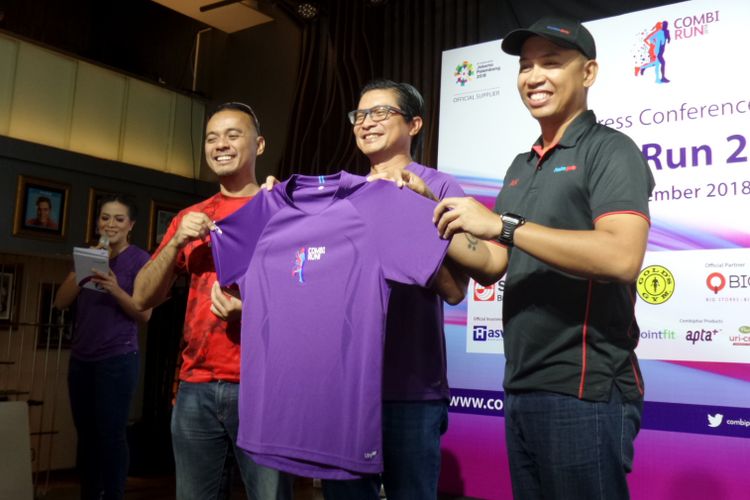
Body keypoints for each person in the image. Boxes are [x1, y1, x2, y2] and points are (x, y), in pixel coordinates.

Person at [434, 16, 654, 500]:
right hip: (521, 381)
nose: (533, 76)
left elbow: (621, 256)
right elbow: (494, 262)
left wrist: (505, 226)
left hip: (586, 387)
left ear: (588, 73)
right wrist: (417, 218)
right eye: (525, 66)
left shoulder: (610, 150)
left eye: (551, 63)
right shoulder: (522, 164)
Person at [132, 102, 293, 500]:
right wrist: (176, 242)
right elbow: (141, 297)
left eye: (233, 135)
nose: (220, 144)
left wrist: (249, 310)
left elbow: (308, 303)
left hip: (262, 385)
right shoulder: (190, 217)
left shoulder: (284, 209)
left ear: (259, 145)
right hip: (195, 388)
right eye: (211, 137)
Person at [316, 80, 467, 499]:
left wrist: (410, 223)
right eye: (360, 115)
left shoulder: (439, 187)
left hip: (413, 388)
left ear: (414, 124)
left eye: (380, 113)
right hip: (346, 387)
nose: (366, 123)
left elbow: (456, 290)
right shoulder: (337, 194)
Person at [54, 194, 152, 500]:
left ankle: (113, 495)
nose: (110, 224)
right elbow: (61, 301)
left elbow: (144, 314)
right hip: (82, 358)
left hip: (118, 358)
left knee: (111, 434)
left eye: (118, 219)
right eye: (105, 218)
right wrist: (86, 264)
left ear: (130, 225)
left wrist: (114, 287)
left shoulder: (140, 260)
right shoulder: (88, 254)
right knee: (86, 436)